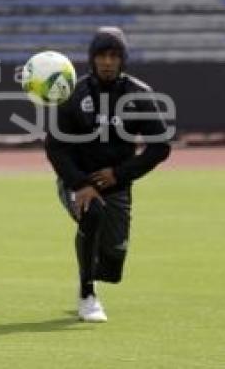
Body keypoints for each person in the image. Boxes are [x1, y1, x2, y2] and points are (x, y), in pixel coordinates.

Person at [45, 26, 171, 323]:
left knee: (113, 267)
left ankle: (94, 273)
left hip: (117, 185)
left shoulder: (139, 95)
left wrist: (119, 174)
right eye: (102, 54)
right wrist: (80, 183)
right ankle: (87, 294)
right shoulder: (73, 94)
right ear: (92, 58)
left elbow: (160, 146)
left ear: (123, 59)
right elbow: (55, 147)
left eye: (114, 55)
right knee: (93, 213)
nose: (107, 62)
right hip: (77, 179)